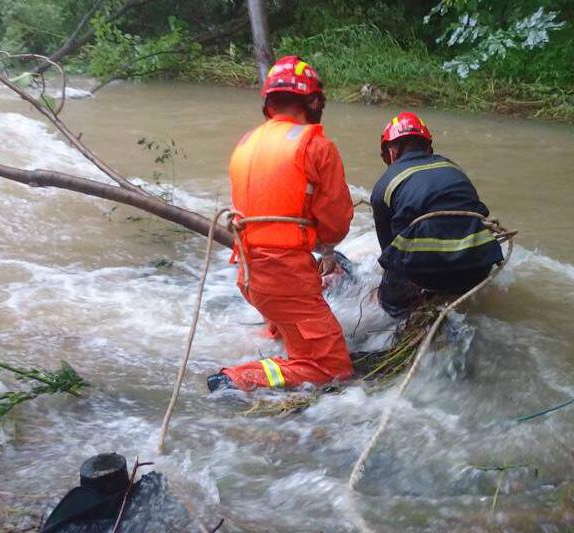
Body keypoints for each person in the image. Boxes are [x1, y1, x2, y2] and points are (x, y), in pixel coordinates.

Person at [207, 56, 354, 392]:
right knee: (332, 368)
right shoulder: (316, 146)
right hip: (285, 277)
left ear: (268, 102)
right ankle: (236, 378)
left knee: (287, 327)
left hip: (248, 273)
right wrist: (321, 243)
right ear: (314, 101)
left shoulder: (246, 143)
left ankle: (277, 341)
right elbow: (335, 224)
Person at [370, 111, 504, 317]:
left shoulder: (384, 185)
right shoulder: (454, 169)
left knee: (389, 303)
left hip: (424, 275)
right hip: (477, 268)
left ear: (392, 153)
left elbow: (388, 253)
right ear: (428, 147)